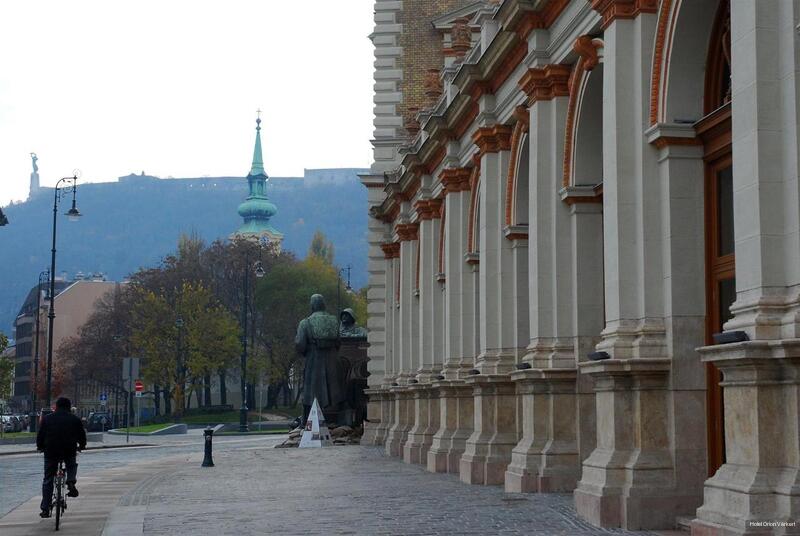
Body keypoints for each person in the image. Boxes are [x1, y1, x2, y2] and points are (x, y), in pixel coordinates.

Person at [295, 294, 344, 425]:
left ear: (312, 306)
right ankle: (334, 419)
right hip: (332, 361)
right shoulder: (334, 321)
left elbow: (300, 343)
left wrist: (306, 352)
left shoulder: (305, 323)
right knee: (333, 389)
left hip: (313, 361)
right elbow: (339, 341)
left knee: (312, 392)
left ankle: (308, 421)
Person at [36, 397, 86, 517]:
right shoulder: (75, 419)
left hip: (51, 450)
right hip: (69, 449)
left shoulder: (47, 419)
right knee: (71, 464)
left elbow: (40, 435)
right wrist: (82, 446)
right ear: (69, 407)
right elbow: (82, 435)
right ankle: (71, 481)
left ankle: (45, 508)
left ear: (56, 406)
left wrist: (40, 446)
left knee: (48, 479)